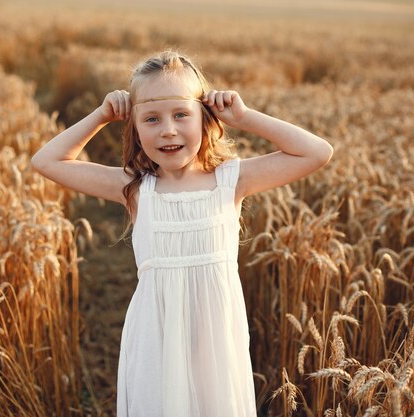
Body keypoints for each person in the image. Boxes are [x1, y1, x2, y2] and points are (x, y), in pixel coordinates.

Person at [31, 51, 333, 417]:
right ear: (135, 129)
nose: (168, 130)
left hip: (215, 346)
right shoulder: (135, 187)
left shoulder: (230, 180)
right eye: (152, 119)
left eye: (181, 115)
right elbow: (46, 162)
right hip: (155, 342)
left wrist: (244, 117)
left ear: (205, 118)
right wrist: (102, 116)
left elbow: (317, 152)